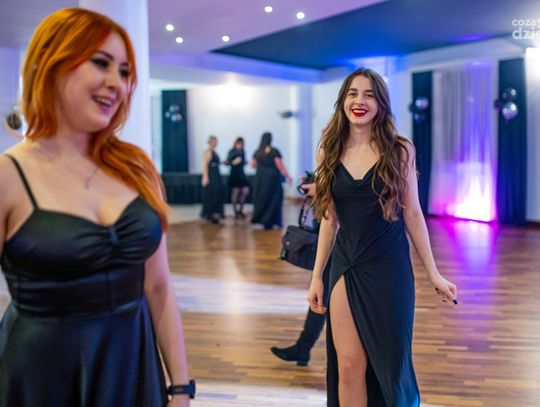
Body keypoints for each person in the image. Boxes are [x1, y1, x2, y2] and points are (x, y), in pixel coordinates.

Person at [0, 8, 192, 407]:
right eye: (101, 63)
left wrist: (180, 389)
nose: (116, 84)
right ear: (51, 64)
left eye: (124, 72)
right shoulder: (8, 175)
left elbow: (158, 285)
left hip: (132, 366)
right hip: (42, 374)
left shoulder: (136, 167)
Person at [307, 68, 458, 407]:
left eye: (369, 95)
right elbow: (329, 220)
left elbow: (413, 213)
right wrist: (317, 276)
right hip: (346, 265)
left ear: (381, 104)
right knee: (349, 367)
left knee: (391, 367)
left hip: (389, 268)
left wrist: (433, 272)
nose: (359, 101)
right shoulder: (329, 151)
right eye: (352, 94)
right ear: (342, 101)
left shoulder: (399, 150)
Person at [270, 181, 330, 366]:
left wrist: (319, 187)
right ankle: (303, 348)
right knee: (320, 299)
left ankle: (303, 348)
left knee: (322, 299)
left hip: (342, 243)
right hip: (334, 238)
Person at [250, 132, 291, 229]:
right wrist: (287, 176)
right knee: (273, 199)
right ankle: (271, 221)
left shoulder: (257, 151)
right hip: (272, 178)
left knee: (261, 198)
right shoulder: (274, 151)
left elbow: (253, 165)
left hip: (260, 178)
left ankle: (262, 220)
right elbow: (279, 165)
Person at [201, 135, 225, 223]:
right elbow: (205, 165)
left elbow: (216, 162)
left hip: (216, 173)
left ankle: (215, 213)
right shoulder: (208, 152)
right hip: (211, 174)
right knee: (211, 194)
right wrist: (205, 177)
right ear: (210, 142)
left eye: (216, 141)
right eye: (213, 141)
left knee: (217, 193)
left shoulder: (214, 152)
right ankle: (209, 214)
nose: (215, 143)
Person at [225, 137, 250, 219]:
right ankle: (235, 212)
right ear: (235, 143)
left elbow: (243, 162)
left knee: (245, 191)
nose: (240, 145)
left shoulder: (243, 152)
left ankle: (240, 210)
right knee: (235, 193)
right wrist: (234, 162)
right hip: (234, 174)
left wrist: (245, 162)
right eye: (239, 143)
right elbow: (227, 162)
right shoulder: (231, 151)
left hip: (241, 174)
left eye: (242, 144)